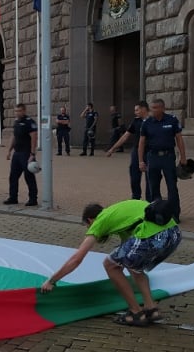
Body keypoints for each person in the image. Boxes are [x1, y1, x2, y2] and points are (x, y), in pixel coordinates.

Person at [40, 199, 182, 327]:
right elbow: (129, 252)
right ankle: (151, 309)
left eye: (88, 227)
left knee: (110, 265)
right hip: (174, 234)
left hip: (152, 237)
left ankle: (136, 313)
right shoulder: (120, 214)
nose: (90, 230)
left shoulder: (101, 220)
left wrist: (52, 280)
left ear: (90, 220)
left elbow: (76, 259)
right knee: (134, 266)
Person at [138, 99, 186, 221]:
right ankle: (156, 212)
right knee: (153, 187)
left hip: (168, 157)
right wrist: (140, 161)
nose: (152, 110)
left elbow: (179, 139)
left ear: (162, 108)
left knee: (172, 186)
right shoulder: (147, 123)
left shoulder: (172, 120)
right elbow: (142, 142)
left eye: (155, 108)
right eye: (152, 108)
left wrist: (183, 157)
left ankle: (174, 214)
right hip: (152, 157)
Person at [107, 101, 150, 201]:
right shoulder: (136, 121)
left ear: (144, 109)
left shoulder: (153, 121)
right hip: (136, 151)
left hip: (150, 152)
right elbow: (125, 136)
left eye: (137, 110)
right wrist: (113, 148)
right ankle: (135, 198)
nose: (135, 112)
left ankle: (150, 201)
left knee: (150, 178)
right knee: (134, 176)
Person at [5, 103, 38, 207]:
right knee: (13, 176)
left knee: (29, 176)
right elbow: (14, 136)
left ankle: (33, 199)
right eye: (15, 111)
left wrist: (32, 154)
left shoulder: (29, 122)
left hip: (26, 153)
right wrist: (9, 150)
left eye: (19, 111)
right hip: (17, 153)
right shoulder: (16, 122)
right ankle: (13, 197)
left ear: (24, 111)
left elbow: (34, 138)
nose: (17, 113)